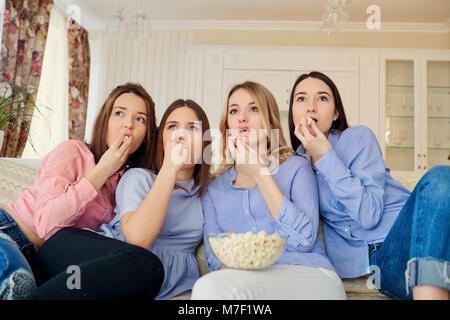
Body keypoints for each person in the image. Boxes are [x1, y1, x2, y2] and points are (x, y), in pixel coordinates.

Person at [288, 71, 450, 300]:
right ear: (293, 111)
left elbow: (369, 212)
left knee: (441, 177)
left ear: (335, 113)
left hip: (411, 230)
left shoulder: (358, 137)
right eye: (301, 98)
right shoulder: (293, 166)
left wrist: (326, 156)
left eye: (322, 98)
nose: (311, 107)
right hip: (385, 258)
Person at [0, 82, 164, 300]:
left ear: (146, 135)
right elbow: (46, 223)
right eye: (119, 113)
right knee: (16, 288)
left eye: (140, 119)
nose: (128, 125)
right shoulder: (73, 151)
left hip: (45, 264)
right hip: (11, 233)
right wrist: (103, 169)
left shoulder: (128, 183)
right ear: (104, 121)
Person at [191, 81, 346, 300]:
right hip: (247, 282)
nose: (242, 117)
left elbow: (303, 241)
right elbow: (216, 257)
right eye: (234, 111)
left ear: (270, 122)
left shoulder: (297, 167)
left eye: (254, 109)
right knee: (208, 287)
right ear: (227, 126)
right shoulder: (213, 189)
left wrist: (260, 174)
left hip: (309, 274)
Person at [89, 99, 211, 299]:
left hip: (177, 287)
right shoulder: (139, 178)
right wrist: (170, 168)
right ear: (161, 139)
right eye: (173, 127)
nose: (182, 136)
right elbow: (137, 239)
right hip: (120, 270)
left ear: (205, 141)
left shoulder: (208, 191)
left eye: (192, 128)